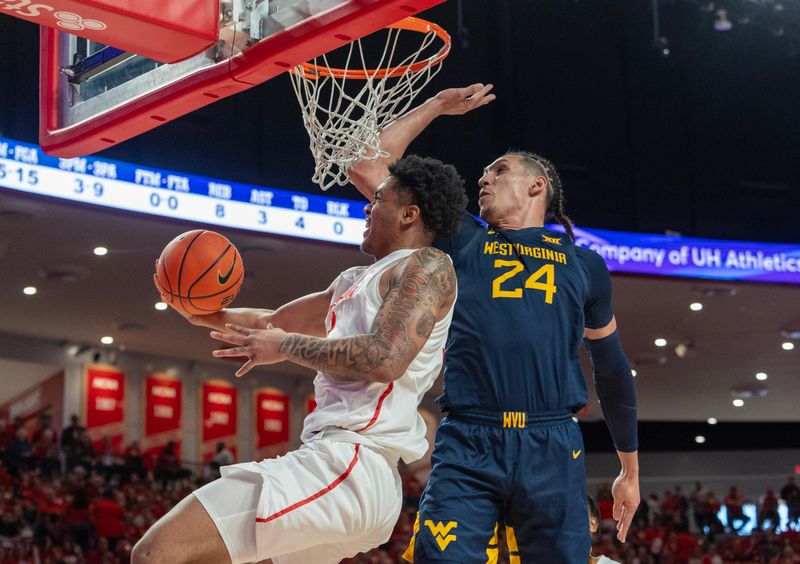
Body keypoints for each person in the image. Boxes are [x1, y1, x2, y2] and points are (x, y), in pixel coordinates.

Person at [348, 83, 640, 563]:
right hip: (468, 439)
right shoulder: (462, 240)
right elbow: (367, 165)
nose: (483, 180)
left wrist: (629, 469)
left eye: (498, 171)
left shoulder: (585, 265)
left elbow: (610, 368)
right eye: (482, 174)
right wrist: (436, 107)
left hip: (552, 440)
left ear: (537, 185)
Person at [133, 154, 466, 563]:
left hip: (352, 464)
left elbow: (384, 357)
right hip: (339, 466)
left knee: (158, 552)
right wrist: (199, 312)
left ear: (408, 214)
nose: (367, 206)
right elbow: (273, 322)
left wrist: (285, 346)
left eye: (379, 199)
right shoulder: (351, 281)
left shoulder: (428, 265)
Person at [588, 495, 621, 564]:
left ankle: (600, 538)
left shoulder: (601, 504)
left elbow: (597, 515)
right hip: (609, 523)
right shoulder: (611, 504)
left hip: (604, 523)